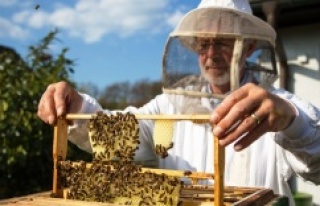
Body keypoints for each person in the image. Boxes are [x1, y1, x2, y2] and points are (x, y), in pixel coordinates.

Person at [37, 0, 320, 205]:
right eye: (203, 44)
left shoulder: (276, 107)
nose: (211, 54)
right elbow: (121, 137)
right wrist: (76, 109)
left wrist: (294, 122)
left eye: (222, 42)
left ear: (247, 47)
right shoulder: (169, 108)